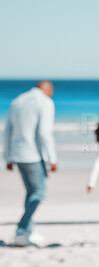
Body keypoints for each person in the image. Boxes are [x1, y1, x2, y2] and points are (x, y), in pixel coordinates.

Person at [3, 80, 57, 247]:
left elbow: (8, 130)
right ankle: (20, 230)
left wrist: (8, 156)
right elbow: (44, 133)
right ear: (48, 90)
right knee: (39, 193)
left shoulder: (17, 100)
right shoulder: (45, 102)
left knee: (30, 193)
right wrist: (52, 158)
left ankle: (27, 232)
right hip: (33, 155)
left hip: (18, 154)